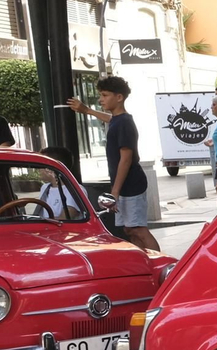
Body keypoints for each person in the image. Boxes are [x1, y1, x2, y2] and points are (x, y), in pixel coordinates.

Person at [91, 76, 160, 251]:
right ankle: (143, 263)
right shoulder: (118, 120)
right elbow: (109, 119)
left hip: (131, 185)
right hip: (125, 185)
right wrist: (86, 111)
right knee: (130, 229)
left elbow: (126, 158)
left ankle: (160, 264)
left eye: (105, 95)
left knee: (138, 229)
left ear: (119, 97)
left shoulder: (124, 123)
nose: (101, 99)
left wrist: (115, 192)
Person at [37, 146, 80, 220]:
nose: (38, 169)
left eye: (41, 165)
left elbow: (65, 218)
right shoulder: (45, 187)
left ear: (50, 168)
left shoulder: (74, 189)